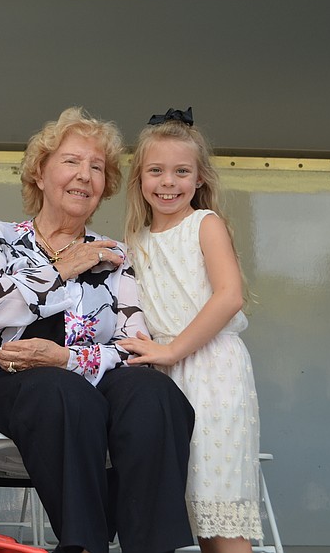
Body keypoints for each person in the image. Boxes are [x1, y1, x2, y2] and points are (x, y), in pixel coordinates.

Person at [0, 107, 195, 553]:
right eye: (71, 161)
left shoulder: (114, 257)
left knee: (154, 394)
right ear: (40, 174)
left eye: (97, 167)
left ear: (106, 187)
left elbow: (135, 345)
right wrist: (59, 269)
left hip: (81, 388)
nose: (84, 175)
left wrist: (67, 358)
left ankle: (153, 546)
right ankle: (85, 545)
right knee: (61, 391)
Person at [120, 108, 262, 553]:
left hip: (212, 369)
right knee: (186, 504)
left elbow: (228, 296)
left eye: (181, 171)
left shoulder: (206, 224)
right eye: (156, 171)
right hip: (166, 374)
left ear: (199, 178)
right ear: (139, 179)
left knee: (217, 500)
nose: (168, 182)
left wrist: (173, 349)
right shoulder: (136, 243)